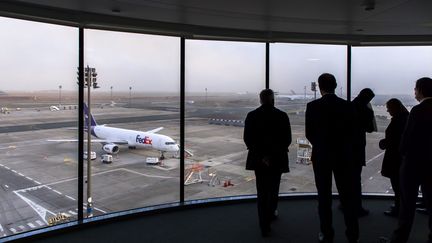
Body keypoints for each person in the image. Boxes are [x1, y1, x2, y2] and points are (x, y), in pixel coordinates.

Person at [306, 73, 359, 243]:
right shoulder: (348, 106)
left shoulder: (313, 106)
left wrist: (322, 146)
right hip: (343, 156)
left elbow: (310, 134)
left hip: (322, 156)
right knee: (347, 197)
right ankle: (353, 234)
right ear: (335, 85)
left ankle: (327, 233)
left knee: (324, 197)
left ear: (320, 87)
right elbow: (354, 133)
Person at [379, 77, 432, 243]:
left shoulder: (418, 110)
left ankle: (399, 239)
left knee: (407, 205)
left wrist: (402, 153)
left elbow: (407, 139)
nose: (414, 92)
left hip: (413, 164)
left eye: (415, 89)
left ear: (421, 90)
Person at [243, 89, 292, 237]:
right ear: (273, 100)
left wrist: (263, 156)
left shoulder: (251, 116)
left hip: (259, 161)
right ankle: (271, 213)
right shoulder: (282, 116)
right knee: (274, 188)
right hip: (277, 160)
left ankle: (264, 225)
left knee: (262, 192)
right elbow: (287, 140)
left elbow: (248, 139)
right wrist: (272, 155)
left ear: (260, 100)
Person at [379, 98, 409, 217]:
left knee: (397, 186)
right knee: (400, 186)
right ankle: (400, 207)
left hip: (395, 157)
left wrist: (384, 143)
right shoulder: (405, 118)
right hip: (400, 157)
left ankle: (399, 209)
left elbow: (394, 139)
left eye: (389, 108)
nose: (387, 110)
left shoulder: (398, 121)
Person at [352, 88, 376, 217]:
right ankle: (357, 207)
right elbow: (370, 129)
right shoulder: (367, 111)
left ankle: (344, 203)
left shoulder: (347, 107)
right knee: (356, 178)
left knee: (345, 178)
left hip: (344, 147)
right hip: (358, 147)